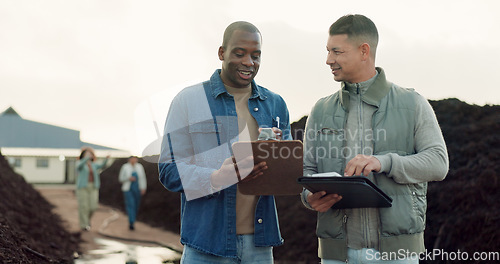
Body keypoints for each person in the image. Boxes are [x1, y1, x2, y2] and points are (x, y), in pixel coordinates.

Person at [301, 14, 449, 263]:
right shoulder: (321, 110)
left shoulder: (412, 103)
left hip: (398, 254)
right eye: (328, 51)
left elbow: (438, 162)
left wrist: (385, 162)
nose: (329, 60)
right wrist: (309, 198)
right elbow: (308, 171)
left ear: (364, 51)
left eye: (337, 52)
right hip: (337, 254)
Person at [158, 21, 291, 263]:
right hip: (206, 246)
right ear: (222, 53)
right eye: (239, 53)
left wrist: (278, 156)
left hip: (260, 247)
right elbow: (168, 169)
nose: (249, 62)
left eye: (256, 55)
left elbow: (288, 174)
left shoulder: (276, 104)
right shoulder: (188, 101)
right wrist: (215, 179)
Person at [76, 147, 109, 231]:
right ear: (83, 155)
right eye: (87, 154)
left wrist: (106, 159)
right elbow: (78, 167)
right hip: (83, 187)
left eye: (90, 154)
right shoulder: (80, 163)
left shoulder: (94, 164)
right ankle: (83, 225)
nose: (88, 155)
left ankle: (87, 221)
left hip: (93, 187)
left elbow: (102, 166)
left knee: (93, 206)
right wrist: (86, 158)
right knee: (84, 207)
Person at [119, 156, 147, 230]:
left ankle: (133, 220)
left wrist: (143, 188)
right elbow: (120, 178)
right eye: (133, 158)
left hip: (137, 189)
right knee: (131, 205)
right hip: (128, 189)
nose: (134, 160)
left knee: (136, 205)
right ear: (129, 159)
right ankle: (131, 222)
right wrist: (128, 178)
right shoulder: (125, 167)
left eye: (135, 158)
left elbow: (143, 178)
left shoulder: (140, 167)